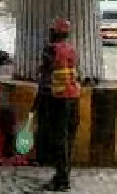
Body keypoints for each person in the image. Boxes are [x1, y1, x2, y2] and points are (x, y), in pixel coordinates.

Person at [32, 18, 81, 192]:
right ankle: (63, 175)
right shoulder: (72, 50)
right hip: (74, 98)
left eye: (51, 30)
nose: (49, 33)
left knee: (59, 140)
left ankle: (61, 180)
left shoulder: (50, 50)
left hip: (58, 99)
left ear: (55, 33)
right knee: (68, 138)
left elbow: (45, 76)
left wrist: (37, 102)